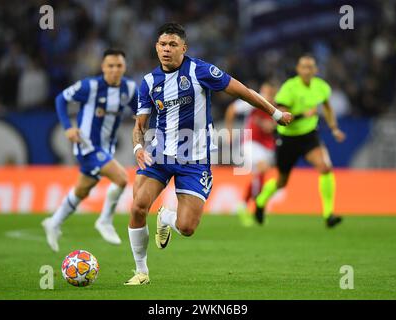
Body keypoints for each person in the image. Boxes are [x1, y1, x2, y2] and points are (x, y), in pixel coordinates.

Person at [124, 23, 292, 285]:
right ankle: (141, 271)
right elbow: (139, 126)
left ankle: (166, 216)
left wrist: (276, 113)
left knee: (187, 228)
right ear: (156, 47)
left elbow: (244, 93)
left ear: (183, 48)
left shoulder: (200, 70)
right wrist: (137, 147)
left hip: (195, 159)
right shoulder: (148, 83)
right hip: (160, 156)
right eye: (162, 45)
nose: (166, 50)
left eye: (172, 45)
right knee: (137, 207)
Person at [42, 49, 138, 252]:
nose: (114, 70)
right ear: (103, 67)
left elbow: (141, 110)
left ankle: (54, 222)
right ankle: (104, 221)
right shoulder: (90, 86)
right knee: (121, 178)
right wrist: (68, 127)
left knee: (82, 189)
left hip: (106, 147)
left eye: (118, 66)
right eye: (110, 66)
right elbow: (61, 99)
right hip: (86, 145)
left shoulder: (129, 88)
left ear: (124, 67)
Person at [253, 54, 346, 227]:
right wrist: (304, 115)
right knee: (282, 181)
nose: (307, 70)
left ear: (316, 70)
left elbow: (327, 106)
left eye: (310, 67)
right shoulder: (289, 88)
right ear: (298, 69)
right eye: (304, 67)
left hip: (309, 135)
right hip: (287, 138)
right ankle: (260, 201)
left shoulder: (321, 87)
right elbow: (280, 115)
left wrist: (334, 128)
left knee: (325, 167)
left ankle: (328, 214)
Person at [224, 82, 278, 226]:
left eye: (269, 93)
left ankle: (245, 206)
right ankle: (255, 206)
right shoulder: (253, 100)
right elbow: (232, 109)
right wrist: (229, 131)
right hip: (251, 142)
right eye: (264, 91)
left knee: (261, 175)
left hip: (267, 146)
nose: (266, 95)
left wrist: (272, 126)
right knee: (261, 168)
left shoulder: (277, 106)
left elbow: (278, 123)